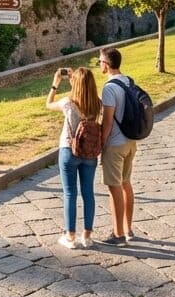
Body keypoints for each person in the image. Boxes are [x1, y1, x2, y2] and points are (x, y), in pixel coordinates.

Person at [46, 66, 101, 249]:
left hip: (69, 151)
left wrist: (56, 84)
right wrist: (75, 79)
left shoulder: (68, 102)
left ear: (74, 84)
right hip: (90, 153)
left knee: (70, 194)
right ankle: (87, 236)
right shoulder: (97, 104)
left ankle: (70, 237)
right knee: (88, 193)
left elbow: (48, 104)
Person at [98, 46, 138, 246]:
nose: (99, 65)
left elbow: (107, 122)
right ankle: (128, 229)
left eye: (99, 62)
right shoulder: (128, 81)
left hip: (114, 144)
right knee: (126, 184)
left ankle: (118, 234)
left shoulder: (109, 88)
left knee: (114, 189)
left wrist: (101, 146)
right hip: (131, 141)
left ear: (106, 64)